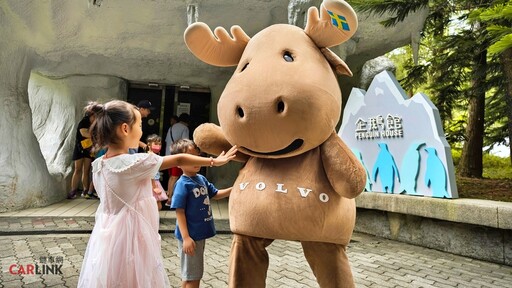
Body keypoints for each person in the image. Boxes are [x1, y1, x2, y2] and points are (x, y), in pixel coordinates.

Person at [77, 100, 237, 288]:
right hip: (132, 235)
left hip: (106, 235)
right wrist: (214, 161)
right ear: (125, 129)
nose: (141, 130)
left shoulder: (98, 165)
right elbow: (178, 158)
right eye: (140, 125)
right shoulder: (135, 163)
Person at [170, 139, 232, 288]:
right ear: (179, 162)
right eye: (190, 157)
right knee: (193, 278)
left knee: (190, 275)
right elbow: (179, 212)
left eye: (197, 155)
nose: (196, 160)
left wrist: (235, 189)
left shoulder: (201, 179)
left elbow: (216, 194)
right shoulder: (182, 184)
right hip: (191, 237)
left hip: (198, 235)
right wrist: (186, 238)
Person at [68, 108, 96, 199]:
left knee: (86, 170)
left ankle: (85, 190)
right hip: (80, 148)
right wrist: (97, 136)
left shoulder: (94, 124)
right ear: (90, 115)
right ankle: (73, 190)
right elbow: (84, 133)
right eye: (94, 116)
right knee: (77, 169)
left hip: (89, 149)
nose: (96, 118)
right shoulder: (83, 122)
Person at [165, 113, 190, 205]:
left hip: (168, 155)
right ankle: (170, 199)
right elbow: (185, 143)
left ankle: (168, 196)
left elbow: (167, 141)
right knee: (175, 177)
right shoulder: (184, 128)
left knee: (171, 177)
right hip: (176, 157)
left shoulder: (171, 128)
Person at [146, 134, 168, 210]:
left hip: (155, 182)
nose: (158, 146)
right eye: (156, 144)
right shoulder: (150, 156)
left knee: (156, 205)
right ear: (149, 144)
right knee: (157, 206)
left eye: (160, 144)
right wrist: (154, 187)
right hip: (153, 183)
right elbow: (150, 173)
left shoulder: (153, 156)